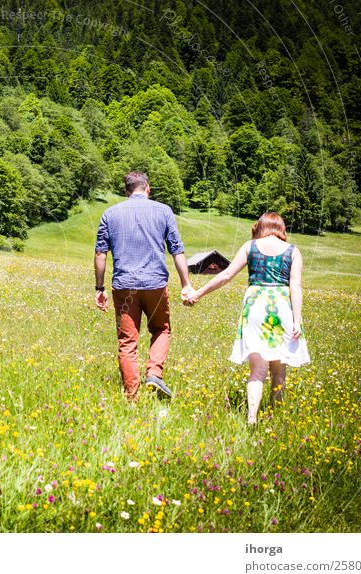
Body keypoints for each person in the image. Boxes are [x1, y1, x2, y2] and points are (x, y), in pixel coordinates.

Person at [183, 212, 311, 424]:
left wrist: (197, 293)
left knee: (258, 369)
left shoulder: (250, 246)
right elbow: (295, 286)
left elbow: (225, 275)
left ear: (260, 227)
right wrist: (297, 320)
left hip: (255, 305)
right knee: (279, 369)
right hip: (282, 307)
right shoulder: (293, 251)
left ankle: (252, 417)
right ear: (281, 228)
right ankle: (275, 417)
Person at [94, 171, 193, 401]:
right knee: (161, 329)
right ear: (148, 189)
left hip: (124, 285)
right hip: (155, 284)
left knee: (127, 341)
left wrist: (99, 288)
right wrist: (186, 284)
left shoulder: (110, 213)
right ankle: (154, 373)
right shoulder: (164, 211)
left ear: (126, 191)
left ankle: (132, 397)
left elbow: (100, 253)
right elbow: (177, 250)